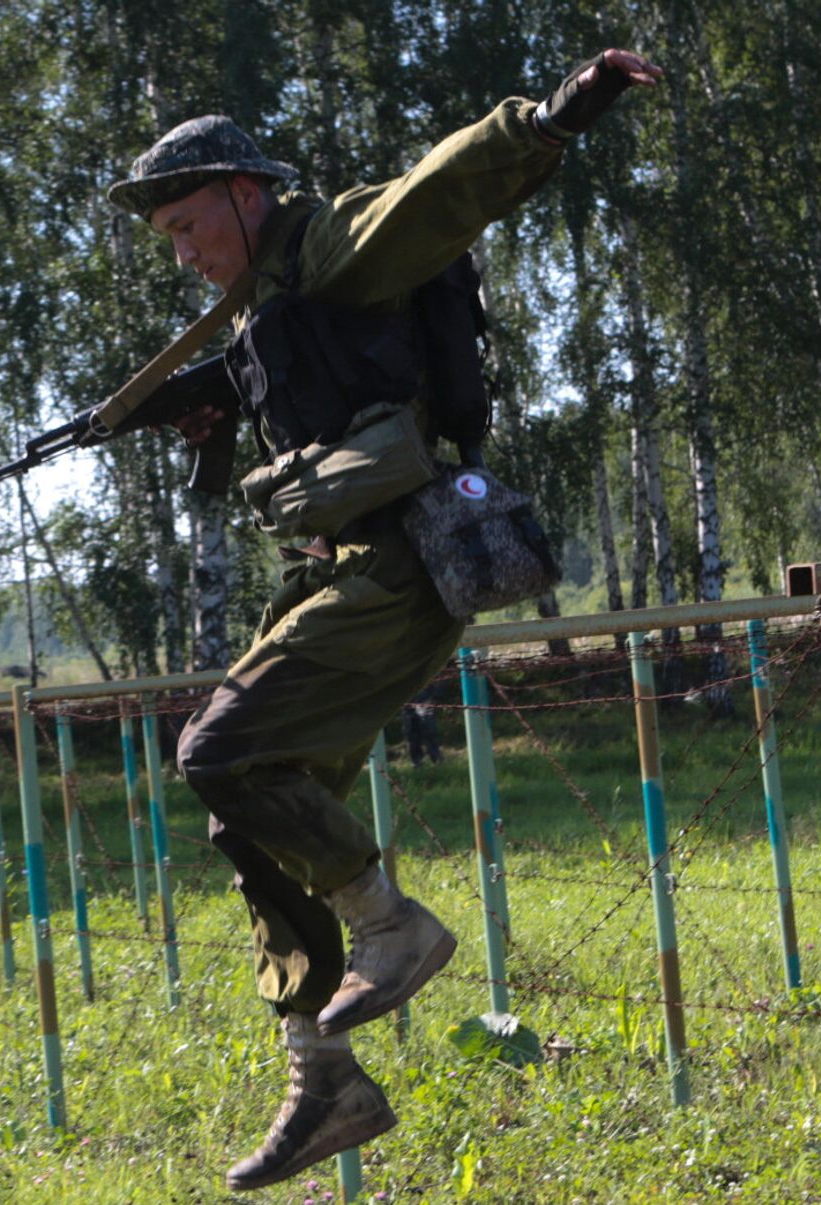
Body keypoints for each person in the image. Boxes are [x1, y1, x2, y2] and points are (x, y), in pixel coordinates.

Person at [106, 50, 661, 1191]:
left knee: (221, 749)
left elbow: (439, 193)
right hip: (341, 571)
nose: (184, 250)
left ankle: (391, 925)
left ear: (244, 193)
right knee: (251, 815)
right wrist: (218, 412)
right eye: (167, 236)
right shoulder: (275, 304)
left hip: (407, 563)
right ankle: (322, 1070)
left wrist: (552, 115)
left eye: (188, 222)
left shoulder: (328, 243)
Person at [403, 685, 443, 767]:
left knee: (429, 732)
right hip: (408, 704)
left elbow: (440, 683)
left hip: (426, 701)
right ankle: (417, 762)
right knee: (411, 735)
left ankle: (437, 760)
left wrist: (432, 697)